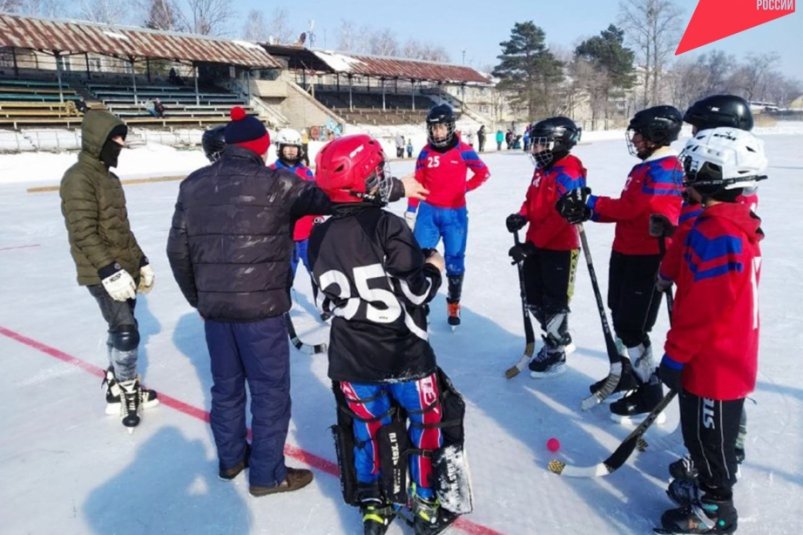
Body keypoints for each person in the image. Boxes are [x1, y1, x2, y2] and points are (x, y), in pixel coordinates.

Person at [167, 107, 428, 497]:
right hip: (262, 311)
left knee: (225, 388)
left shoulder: (193, 185)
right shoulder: (276, 183)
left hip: (216, 313)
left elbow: (177, 251)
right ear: (261, 147)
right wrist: (393, 188)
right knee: (269, 391)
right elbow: (337, 193)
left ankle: (231, 459)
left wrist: (201, 300)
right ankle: (267, 475)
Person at [309, 134, 471, 535]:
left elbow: (324, 303)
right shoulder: (388, 225)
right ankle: (426, 505)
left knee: (368, 431)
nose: (383, 178)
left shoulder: (318, 233)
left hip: (351, 359)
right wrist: (433, 265)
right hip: (404, 355)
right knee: (426, 426)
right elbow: (416, 291)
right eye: (378, 173)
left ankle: (373, 506)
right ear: (363, 181)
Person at [656, 127, 766, 535]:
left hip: (717, 362)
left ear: (715, 174)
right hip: (712, 354)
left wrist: (676, 355)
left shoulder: (721, 235)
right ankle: (705, 486)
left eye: (693, 168)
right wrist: (668, 268)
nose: (685, 175)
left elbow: (705, 309)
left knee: (709, 439)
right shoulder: (717, 221)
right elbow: (687, 249)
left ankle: (716, 509)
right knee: (698, 434)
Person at [557, 105, 684, 423]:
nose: (635, 139)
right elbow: (629, 209)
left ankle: (649, 389)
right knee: (619, 312)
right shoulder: (644, 167)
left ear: (657, 134)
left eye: (640, 134)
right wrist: (590, 209)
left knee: (633, 325)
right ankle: (628, 373)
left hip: (648, 257)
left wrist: (591, 204)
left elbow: (637, 207)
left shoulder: (666, 168)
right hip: (625, 250)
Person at [660, 95, 757, 469]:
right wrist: (670, 266)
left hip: (717, 336)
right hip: (697, 288)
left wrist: (678, 352)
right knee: (701, 390)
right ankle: (707, 449)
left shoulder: (729, 208)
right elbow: (688, 230)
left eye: (700, 130)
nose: (693, 137)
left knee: (715, 397)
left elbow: (714, 300)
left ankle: (725, 451)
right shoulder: (713, 202)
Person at [59, 110, 159, 431]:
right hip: (100, 270)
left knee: (121, 327)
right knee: (126, 331)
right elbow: (83, 231)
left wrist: (140, 260)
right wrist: (108, 269)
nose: (121, 144)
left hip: (122, 267)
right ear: (97, 139)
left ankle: (116, 384)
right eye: (116, 138)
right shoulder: (78, 178)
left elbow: (121, 230)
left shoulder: (109, 179)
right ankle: (129, 392)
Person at [505, 117, 585, 377]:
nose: (535, 149)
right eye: (534, 143)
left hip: (561, 247)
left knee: (554, 301)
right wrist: (522, 215)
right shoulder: (543, 168)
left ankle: (555, 350)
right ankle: (559, 335)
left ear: (558, 143)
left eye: (540, 144)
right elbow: (531, 199)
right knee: (533, 298)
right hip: (536, 243)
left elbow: (561, 219)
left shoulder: (569, 172)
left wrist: (532, 245)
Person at [405, 104, 491, 328]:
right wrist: (411, 210)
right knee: (419, 257)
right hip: (428, 213)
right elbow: (418, 182)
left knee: (455, 259)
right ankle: (421, 304)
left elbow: (483, 172)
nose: (437, 132)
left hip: (455, 215)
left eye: (441, 127)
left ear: (450, 127)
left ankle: (453, 303)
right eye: (433, 128)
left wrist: (464, 188)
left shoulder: (464, 150)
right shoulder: (425, 152)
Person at [268, 128, 317, 289]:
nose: (291, 151)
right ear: (279, 148)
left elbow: (315, 198)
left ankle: (323, 301)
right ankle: (283, 302)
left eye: (294, 147)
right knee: (284, 277)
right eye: (287, 147)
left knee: (317, 273)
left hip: (306, 234)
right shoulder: (270, 172)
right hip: (283, 235)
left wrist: (317, 217)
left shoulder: (306, 172)